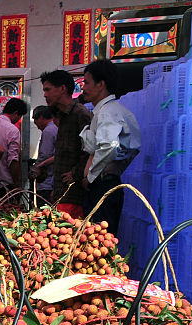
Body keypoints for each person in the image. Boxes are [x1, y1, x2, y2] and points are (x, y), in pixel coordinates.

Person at [80, 58, 141, 233]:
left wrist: (91, 175)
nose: (83, 87)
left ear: (101, 85)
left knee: (100, 240)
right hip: (104, 183)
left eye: (86, 82)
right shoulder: (107, 110)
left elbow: (109, 145)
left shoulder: (108, 112)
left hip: (102, 186)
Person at [40, 69, 92, 216]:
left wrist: (76, 173)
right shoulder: (62, 117)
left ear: (63, 88)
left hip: (73, 194)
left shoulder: (80, 114)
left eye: (48, 89)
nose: (45, 94)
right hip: (60, 192)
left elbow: (90, 150)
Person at [0, 97, 27, 196]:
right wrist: (16, 184)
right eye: (19, 116)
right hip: (4, 184)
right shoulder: (13, 130)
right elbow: (13, 160)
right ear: (16, 113)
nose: (18, 120)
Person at [32, 105, 58, 195]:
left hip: (47, 181)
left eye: (35, 120)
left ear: (41, 117)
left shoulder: (48, 131)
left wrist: (36, 168)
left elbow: (45, 154)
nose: (37, 125)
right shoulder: (56, 128)